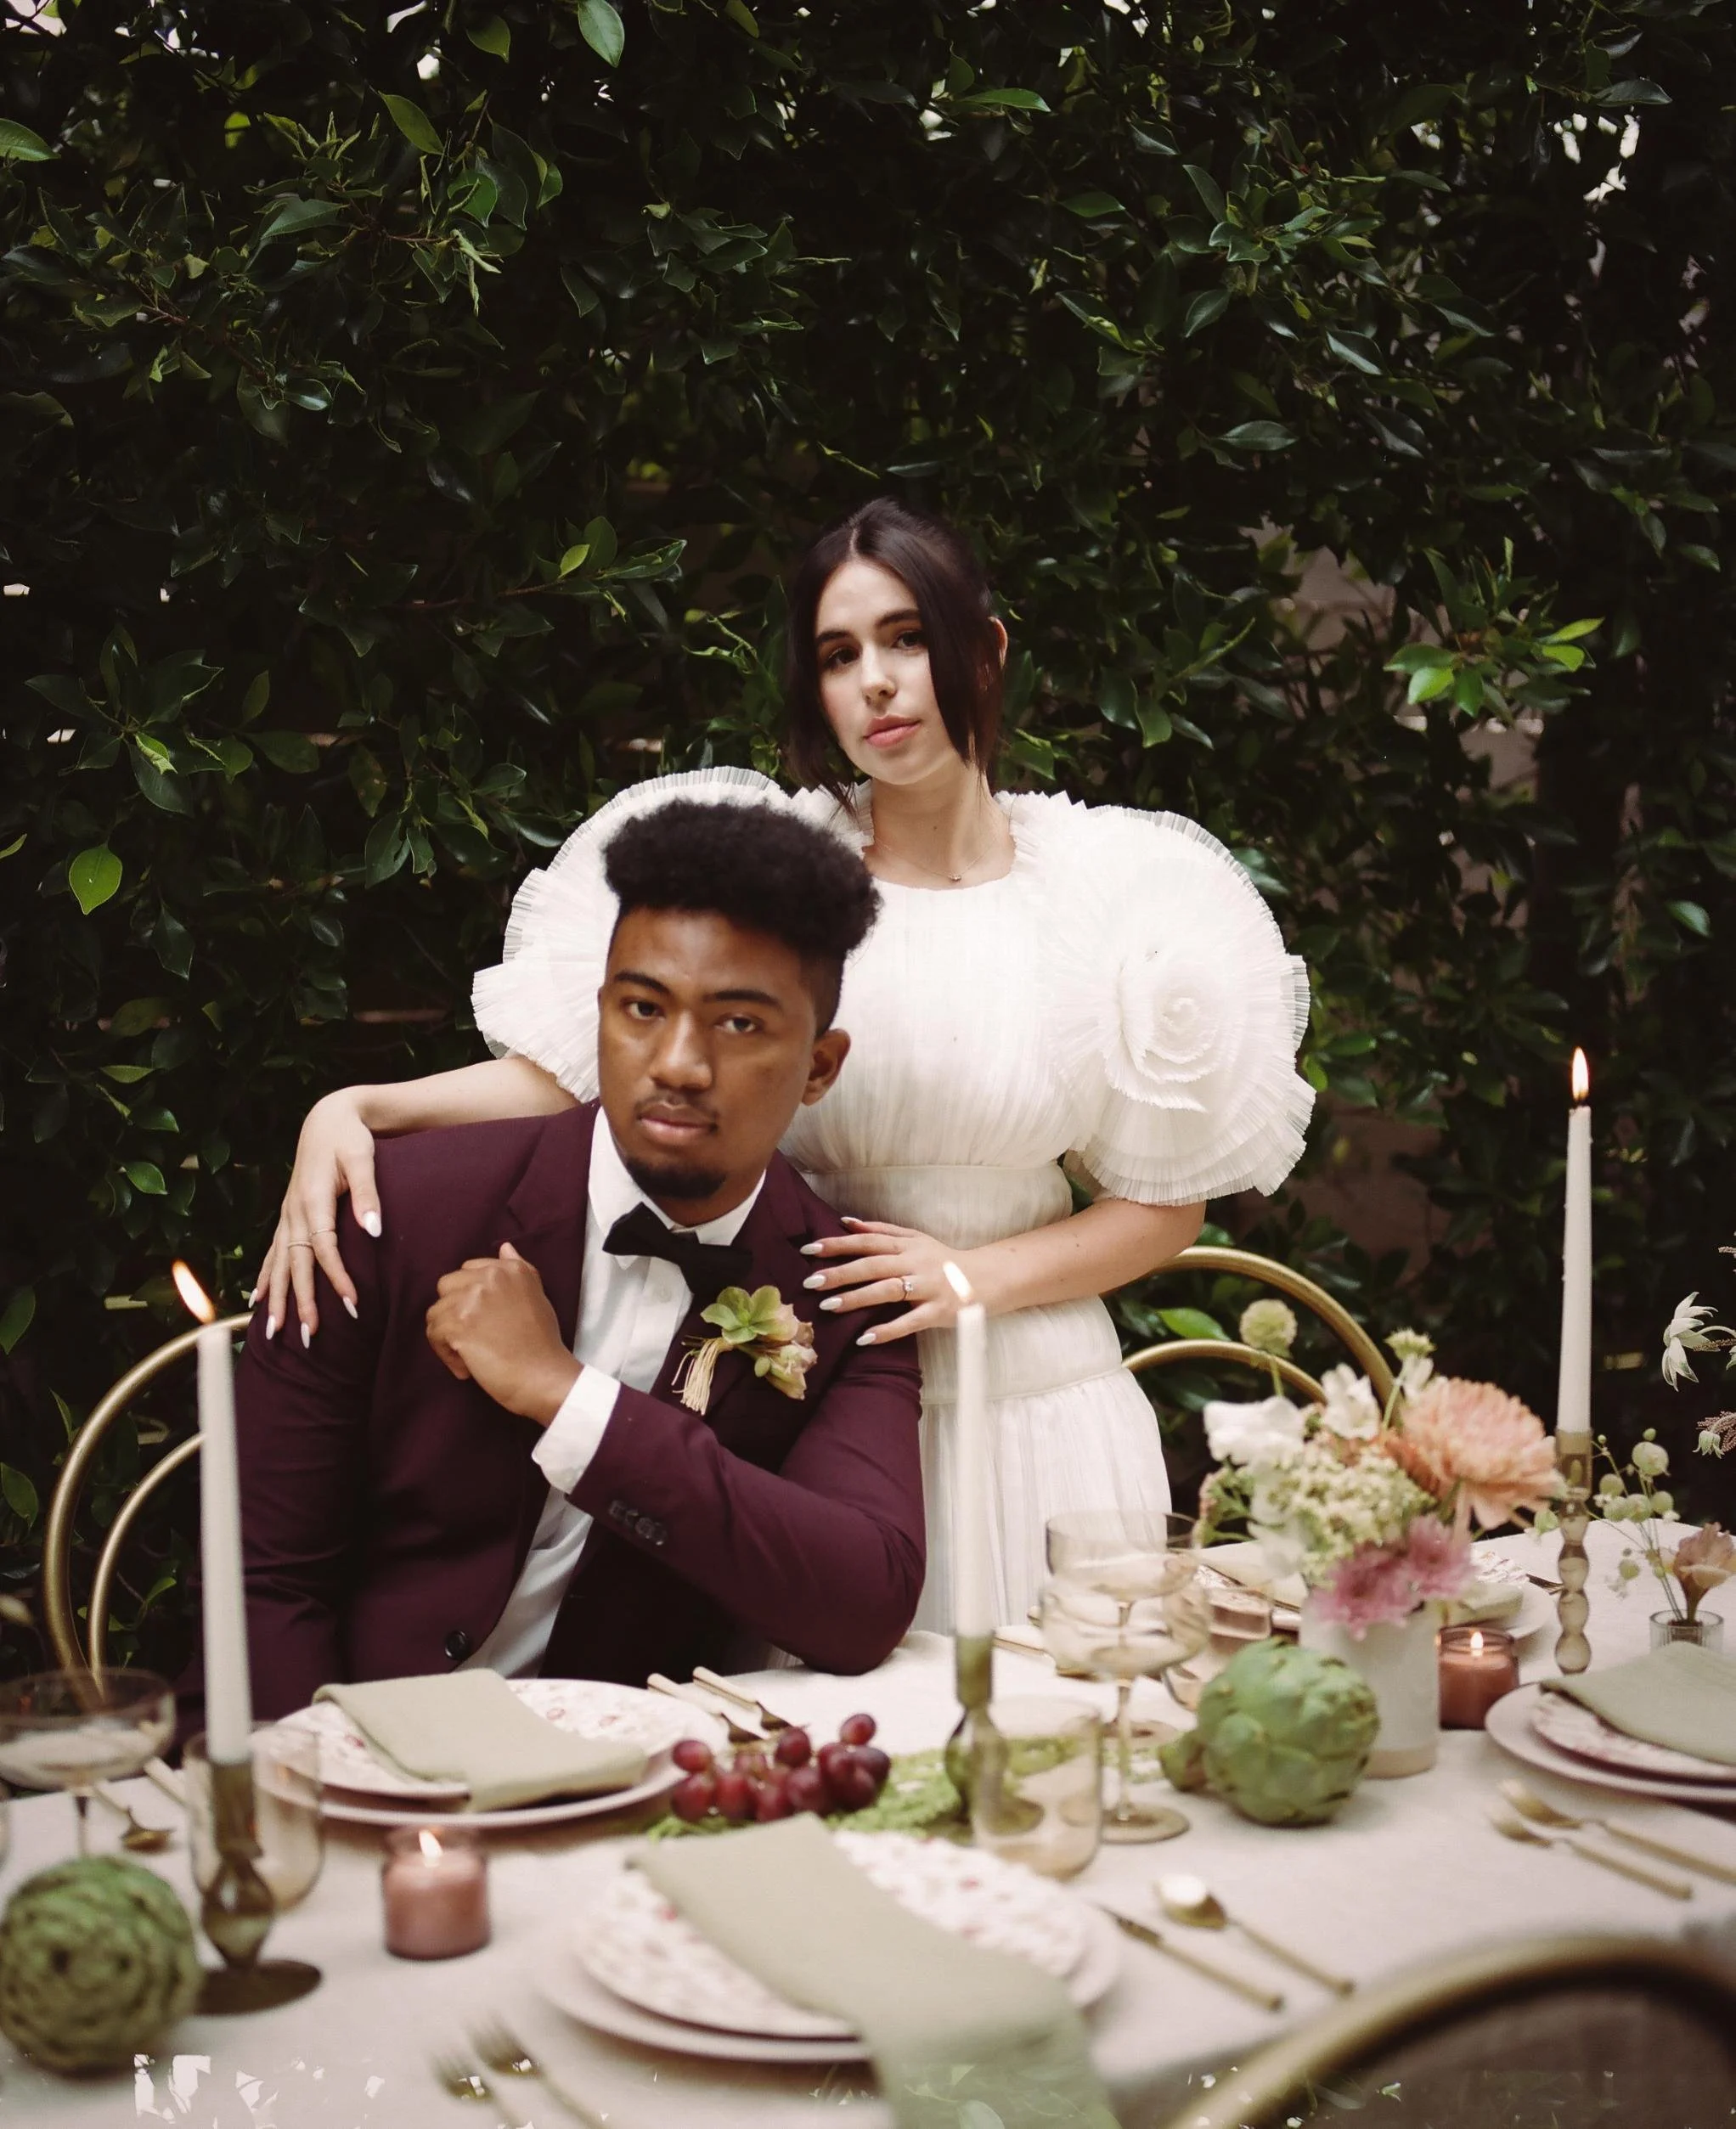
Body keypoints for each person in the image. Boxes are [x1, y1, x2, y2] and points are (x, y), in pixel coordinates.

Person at [257, 499, 1313, 1630]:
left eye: (907, 637)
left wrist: (970, 1277)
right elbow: (594, 1073)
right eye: (839, 653)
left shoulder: (1112, 888)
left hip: (1038, 1397)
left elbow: (1162, 1203)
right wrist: (362, 1103)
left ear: (986, 649)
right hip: (801, 1392)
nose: (878, 681)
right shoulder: (772, 874)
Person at [184, 802, 922, 1729]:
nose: (678, 1063)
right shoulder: (391, 1208)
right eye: (643, 1008)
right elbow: (263, 1578)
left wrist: (566, 1396)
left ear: (818, 1067)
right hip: (346, 1747)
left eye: (737, 1023)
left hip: (618, 1781)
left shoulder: (838, 1293)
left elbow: (862, 1604)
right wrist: (326, 1790)